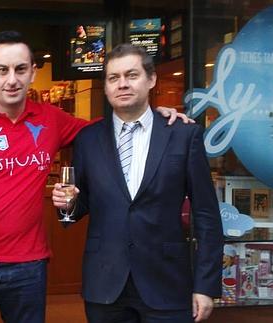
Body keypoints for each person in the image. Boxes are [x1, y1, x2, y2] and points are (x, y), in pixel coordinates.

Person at [0, 31, 189, 323]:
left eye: (20, 69)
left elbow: (101, 129)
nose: (12, 79)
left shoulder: (51, 119)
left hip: (29, 266)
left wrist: (151, 115)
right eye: (2, 70)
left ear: (33, 73)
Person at [52, 43, 223, 323]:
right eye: (113, 78)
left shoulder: (182, 135)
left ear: (151, 79)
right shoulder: (88, 139)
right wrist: (66, 204)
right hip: (105, 283)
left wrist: (205, 285)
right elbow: (79, 204)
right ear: (106, 87)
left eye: (131, 75)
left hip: (167, 282)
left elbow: (206, 215)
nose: (122, 84)